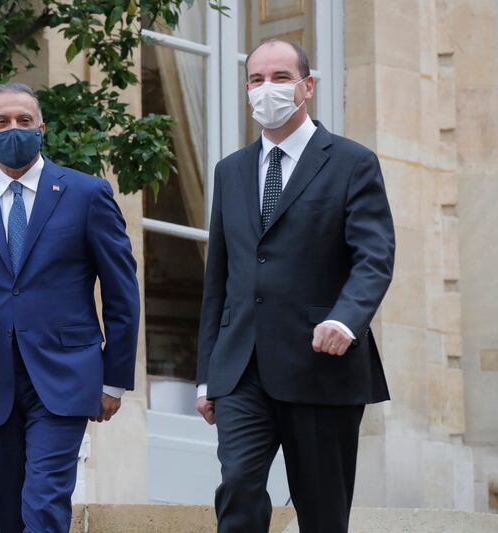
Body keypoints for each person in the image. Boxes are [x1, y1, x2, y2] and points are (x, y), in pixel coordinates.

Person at [0, 83, 140, 533]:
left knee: (43, 502)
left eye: (23, 120)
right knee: (8, 512)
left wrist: (114, 380)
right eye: (2, 122)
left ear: (42, 128)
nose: (13, 129)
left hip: (65, 374)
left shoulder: (86, 194)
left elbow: (121, 292)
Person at [195, 40, 395, 533]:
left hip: (320, 365)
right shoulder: (230, 171)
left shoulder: (352, 162)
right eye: (256, 80)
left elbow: (374, 257)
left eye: (281, 77)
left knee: (323, 514)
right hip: (242, 368)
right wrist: (207, 374)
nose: (268, 89)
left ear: (307, 87)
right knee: (238, 485)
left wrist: (346, 320)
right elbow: (218, 280)